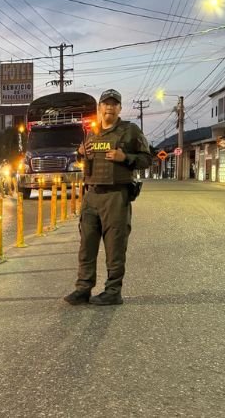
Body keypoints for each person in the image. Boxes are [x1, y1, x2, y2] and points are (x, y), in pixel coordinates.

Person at [64, 89, 153, 306]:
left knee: (115, 246)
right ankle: (83, 288)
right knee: (87, 245)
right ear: (99, 108)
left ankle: (113, 291)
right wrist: (80, 153)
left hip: (116, 195)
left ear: (120, 108)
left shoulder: (130, 131)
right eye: (106, 104)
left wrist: (126, 157)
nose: (109, 108)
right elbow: (82, 158)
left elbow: (147, 159)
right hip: (91, 195)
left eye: (114, 104)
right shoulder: (91, 133)